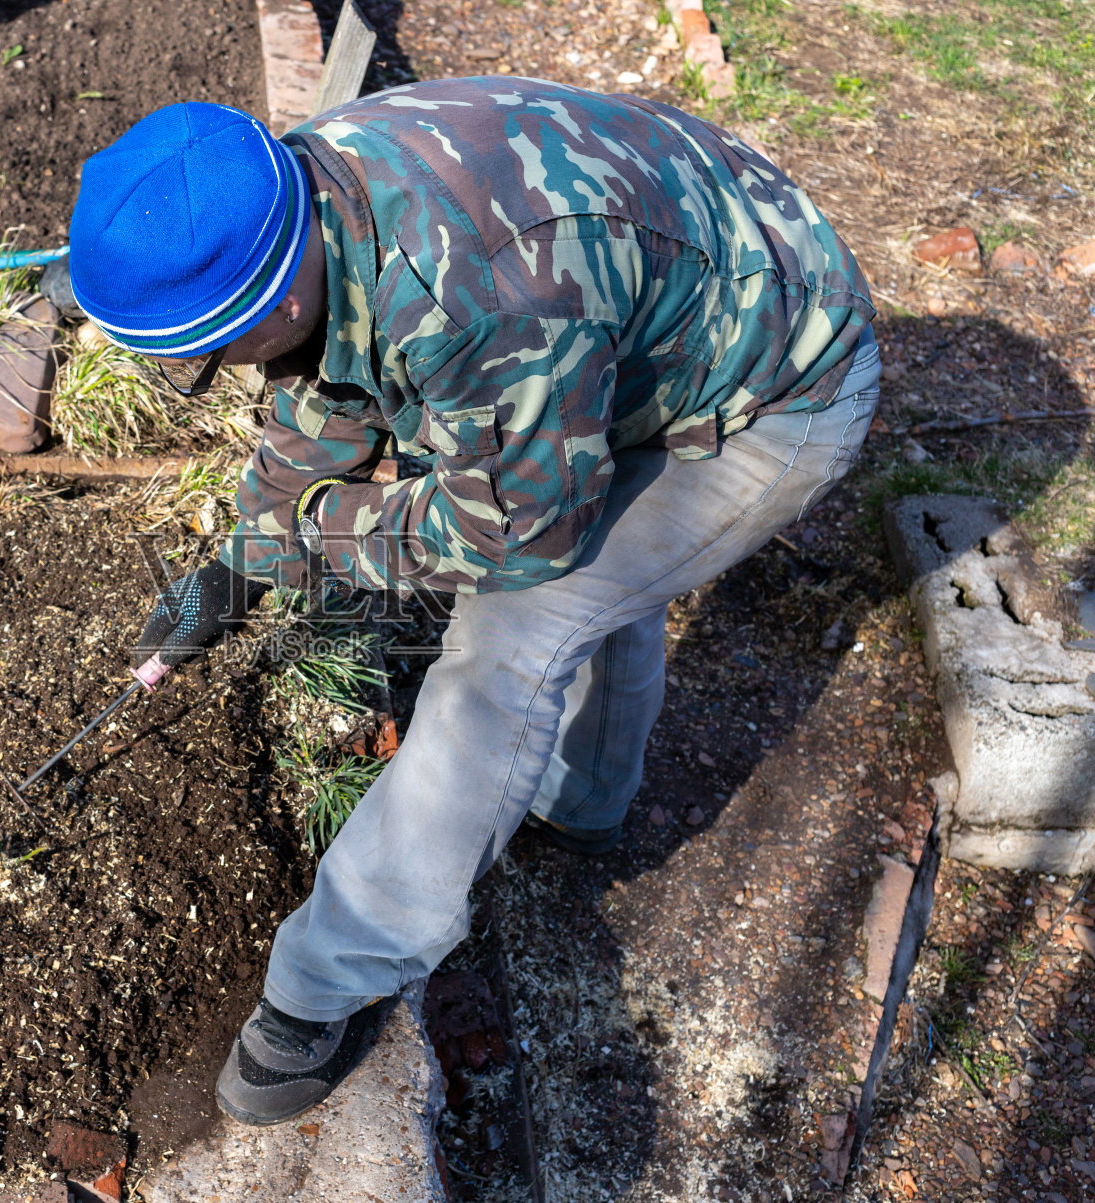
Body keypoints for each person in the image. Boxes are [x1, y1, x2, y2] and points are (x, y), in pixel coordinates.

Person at [66, 77, 878, 1126]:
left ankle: (322, 986)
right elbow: (324, 394)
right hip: (650, 313)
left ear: (275, 299)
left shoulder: (478, 298)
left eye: (209, 355)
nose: (212, 375)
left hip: (778, 383)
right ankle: (586, 808)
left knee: (513, 641)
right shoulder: (299, 197)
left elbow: (518, 537)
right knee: (600, 578)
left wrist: (321, 531)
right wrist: (243, 561)